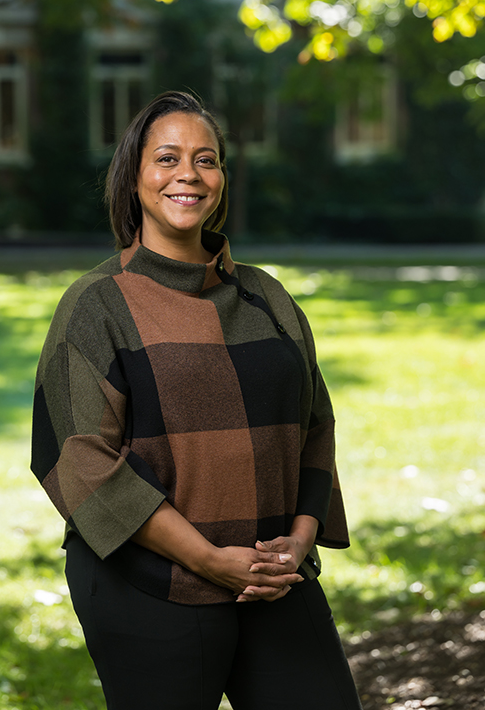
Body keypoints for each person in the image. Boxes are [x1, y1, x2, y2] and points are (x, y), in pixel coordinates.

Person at [31, 91, 363, 710]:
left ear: (222, 179)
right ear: (134, 179)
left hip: (272, 578)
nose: (188, 173)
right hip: (148, 586)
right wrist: (210, 559)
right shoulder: (97, 303)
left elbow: (314, 425)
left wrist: (300, 536)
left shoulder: (269, 296)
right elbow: (79, 459)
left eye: (206, 159)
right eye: (167, 158)